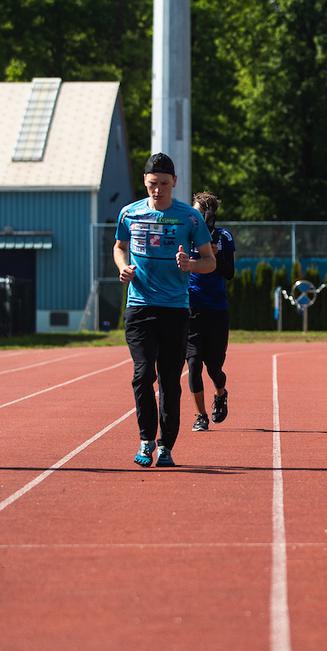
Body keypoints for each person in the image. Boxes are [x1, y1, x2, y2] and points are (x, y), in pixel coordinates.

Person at [114, 153, 215, 467]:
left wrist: (191, 264)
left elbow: (210, 261)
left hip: (174, 308)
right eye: (151, 184)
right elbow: (119, 246)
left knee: (170, 380)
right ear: (144, 183)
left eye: (163, 184)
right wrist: (123, 268)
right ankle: (145, 440)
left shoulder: (190, 218)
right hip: (140, 306)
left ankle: (166, 445)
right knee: (143, 375)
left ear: (175, 183)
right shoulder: (129, 213)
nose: (157, 191)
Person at [186, 191, 235, 431]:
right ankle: (200, 415)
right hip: (191, 308)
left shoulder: (223, 236)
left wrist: (217, 254)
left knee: (214, 367)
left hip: (216, 309)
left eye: (202, 213)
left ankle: (221, 392)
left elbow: (229, 273)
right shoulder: (185, 234)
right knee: (193, 365)